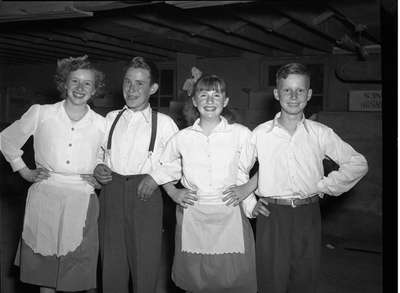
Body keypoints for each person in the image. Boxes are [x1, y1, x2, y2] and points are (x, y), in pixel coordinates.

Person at [234, 62, 368, 293]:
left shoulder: (320, 133)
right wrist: (249, 205)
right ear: (277, 94)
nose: (293, 96)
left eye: (300, 90)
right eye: (287, 90)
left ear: (309, 94)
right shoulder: (260, 134)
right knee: (270, 280)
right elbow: (239, 170)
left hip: (308, 215)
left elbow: (357, 163)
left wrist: (325, 185)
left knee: (304, 279)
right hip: (272, 215)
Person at [139, 74, 259, 293]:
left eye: (216, 95)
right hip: (193, 213)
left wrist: (247, 188)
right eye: (203, 95)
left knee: (232, 277)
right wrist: (174, 193)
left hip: (229, 212)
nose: (210, 100)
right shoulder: (182, 137)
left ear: (226, 101)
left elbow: (271, 162)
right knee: (196, 278)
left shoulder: (241, 134)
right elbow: (163, 167)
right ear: (194, 101)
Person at [0, 55, 106, 293]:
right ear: (64, 84)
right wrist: (24, 171)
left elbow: (105, 159)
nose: (80, 88)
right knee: (45, 269)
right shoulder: (41, 113)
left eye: (87, 83)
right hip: (45, 197)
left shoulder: (102, 124)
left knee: (76, 268)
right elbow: (6, 139)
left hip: (82, 198)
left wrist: (100, 180)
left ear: (95, 88)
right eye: (75, 81)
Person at [93, 56, 179, 293]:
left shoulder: (164, 123)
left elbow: (179, 161)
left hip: (145, 194)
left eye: (140, 84)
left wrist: (155, 177)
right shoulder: (110, 118)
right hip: (111, 193)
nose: (132, 89)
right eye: (128, 82)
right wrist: (99, 167)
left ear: (153, 88)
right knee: (111, 262)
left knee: (145, 263)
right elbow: (99, 154)